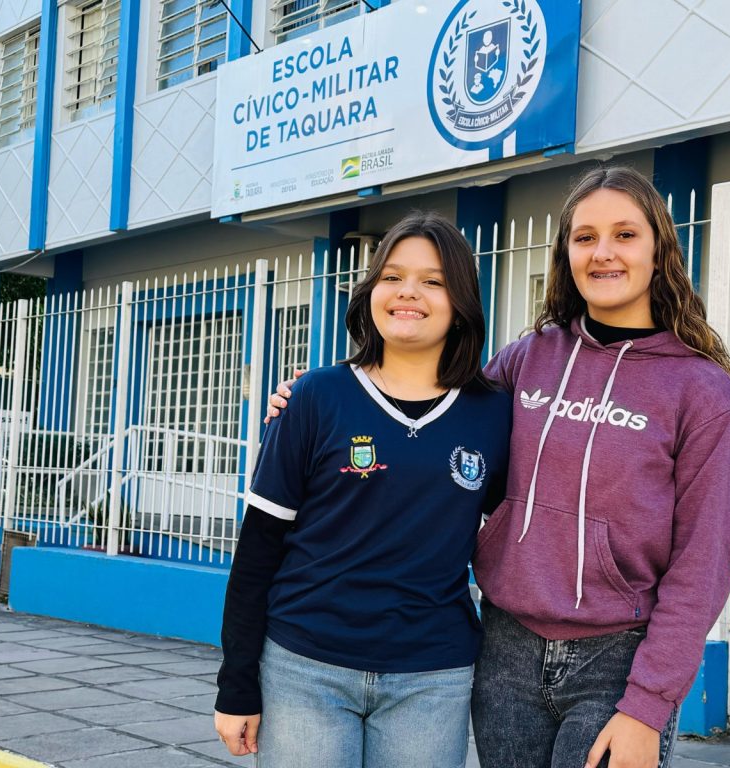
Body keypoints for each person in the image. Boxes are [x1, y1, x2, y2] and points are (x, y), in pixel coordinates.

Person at [266, 166, 730, 768]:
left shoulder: (703, 392)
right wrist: (315, 397)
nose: (603, 252)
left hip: (618, 658)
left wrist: (650, 704)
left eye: (625, 235)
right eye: (585, 237)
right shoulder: (527, 359)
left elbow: (703, 562)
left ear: (660, 252)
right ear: (566, 253)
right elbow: (432, 413)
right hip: (506, 650)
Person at [213, 211, 511, 767]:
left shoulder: (494, 413)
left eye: (433, 280)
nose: (408, 292)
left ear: (461, 302)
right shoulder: (314, 396)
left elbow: (516, 531)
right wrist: (237, 684)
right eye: (392, 276)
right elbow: (256, 553)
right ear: (371, 291)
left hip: (433, 676)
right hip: (305, 667)